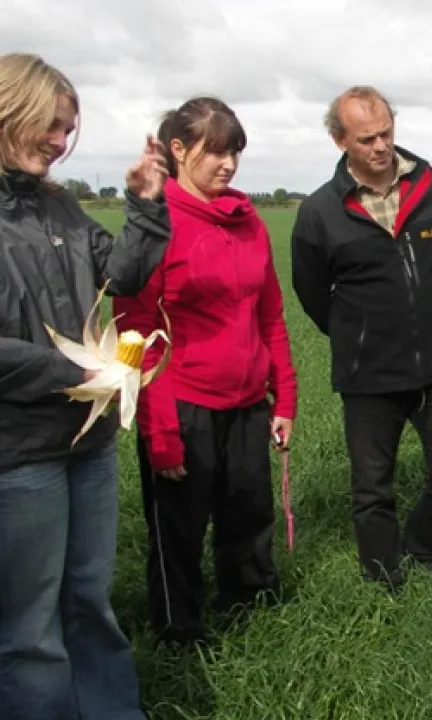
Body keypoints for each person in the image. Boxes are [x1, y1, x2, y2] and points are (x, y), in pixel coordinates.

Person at [0, 52, 170, 719]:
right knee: (30, 631)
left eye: (68, 129)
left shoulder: (58, 206)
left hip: (89, 444)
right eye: (51, 125)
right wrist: (77, 372)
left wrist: (144, 205)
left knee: (89, 602)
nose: (60, 141)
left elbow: (123, 273)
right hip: (18, 455)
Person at [113, 97, 298, 646]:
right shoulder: (158, 225)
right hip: (183, 403)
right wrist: (161, 432)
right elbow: (137, 336)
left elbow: (271, 316)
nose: (229, 165)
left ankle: (251, 611)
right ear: (178, 149)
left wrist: (283, 398)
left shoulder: (249, 223)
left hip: (245, 402)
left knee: (248, 515)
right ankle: (179, 631)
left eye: (234, 152)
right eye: (216, 151)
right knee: (178, 528)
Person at [291, 86, 432, 591]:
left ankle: (421, 546)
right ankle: (382, 582)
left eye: (387, 133)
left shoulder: (430, 186)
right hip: (368, 374)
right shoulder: (320, 212)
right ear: (339, 141)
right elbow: (311, 292)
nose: (381, 146)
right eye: (367, 138)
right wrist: (358, 334)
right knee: (373, 488)